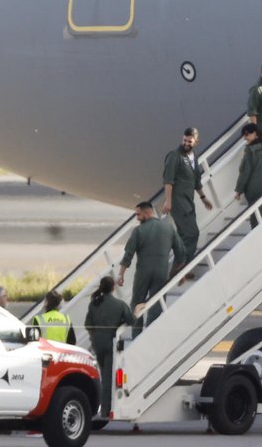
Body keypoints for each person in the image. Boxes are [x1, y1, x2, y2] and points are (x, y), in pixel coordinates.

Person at [117, 201, 186, 335]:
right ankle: (150, 335)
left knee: (137, 304)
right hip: (161, 273)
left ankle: (136, 337)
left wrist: (121, 274)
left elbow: (128, 255)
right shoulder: (168, 228)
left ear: (147, 212)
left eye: (138, 214)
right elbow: (181, 254)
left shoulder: (138, 231)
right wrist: (175, 273)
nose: (137, 218)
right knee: (157, 304)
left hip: (143, 272)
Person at [84, 275, 134, 419]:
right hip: (111, 343)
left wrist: (94, 336)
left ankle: (104, 407)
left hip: (98, 343)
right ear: (113, 288)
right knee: (108, 379)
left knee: (104, 376)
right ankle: (106, 410)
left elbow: (88, 324)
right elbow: (131, 320)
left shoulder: (94, 304)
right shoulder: (119, 304)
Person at [161, 127, 212, 259]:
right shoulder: (174, 156)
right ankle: (182, 266)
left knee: (184, 235)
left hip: (188, 202)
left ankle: (181, 266)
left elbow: (196, 180)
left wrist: (203, 197)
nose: (186, 143)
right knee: (192, 233)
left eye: (190, 141)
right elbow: (168, 181)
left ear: (196, 142)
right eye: (185, 140)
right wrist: (168, 201)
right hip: (178, 202)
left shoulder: (193, 157)